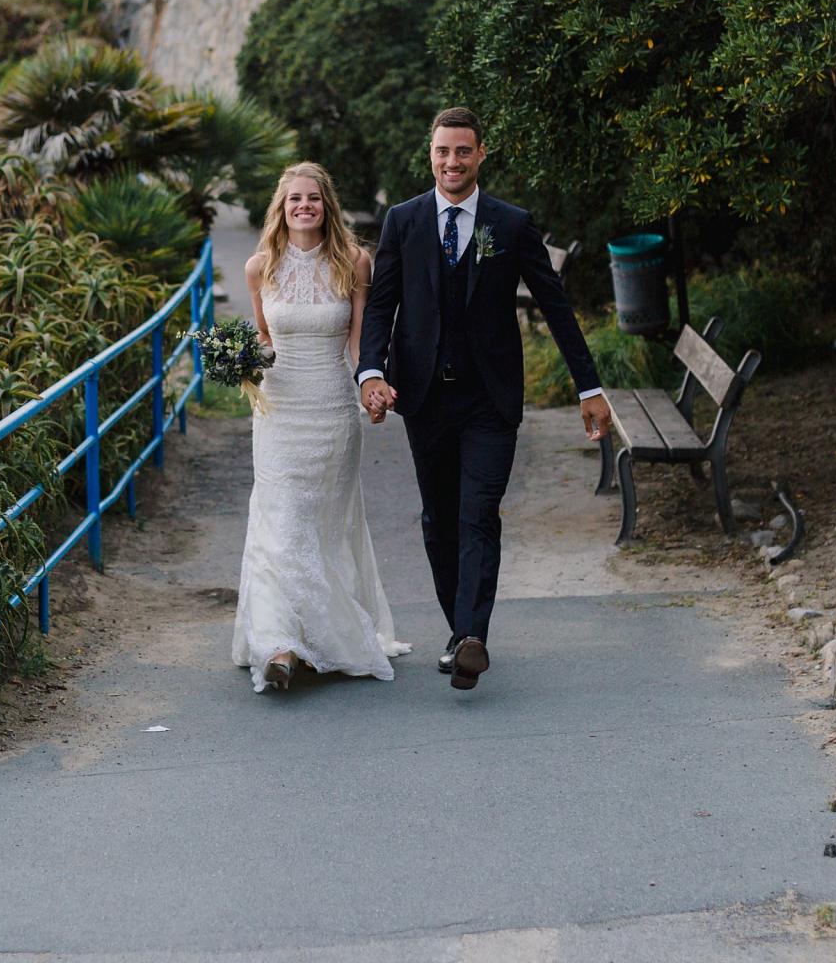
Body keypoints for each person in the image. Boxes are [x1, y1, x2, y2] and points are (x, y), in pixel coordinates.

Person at [358, 107, 612, 691]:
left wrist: (589, 387)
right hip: (422, 398)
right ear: (431, 155)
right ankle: (459, 633)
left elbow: (554, 305)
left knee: (478, 514)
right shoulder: (404, 221)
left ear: (481, 155)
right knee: (438, 520)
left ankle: (473, 638)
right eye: (443, 152)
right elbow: (380, 307)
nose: (452, 162)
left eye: (463, 152)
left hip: (490, 401)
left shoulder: (511, 223)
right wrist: (371, 371)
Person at [232, 162, 410, 692]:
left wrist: (371, 386)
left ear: (326, 205)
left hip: (332, 409)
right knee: (281, 521)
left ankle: (324, 637)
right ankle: (279, 644)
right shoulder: (259, 267)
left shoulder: (353, 262)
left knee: (325, 525)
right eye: (294, 200)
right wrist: (240, 361)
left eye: (312, 198)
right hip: (279, 410)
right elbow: (265, 339)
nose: (304, 206)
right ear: (281, 208)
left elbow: (359, 342)